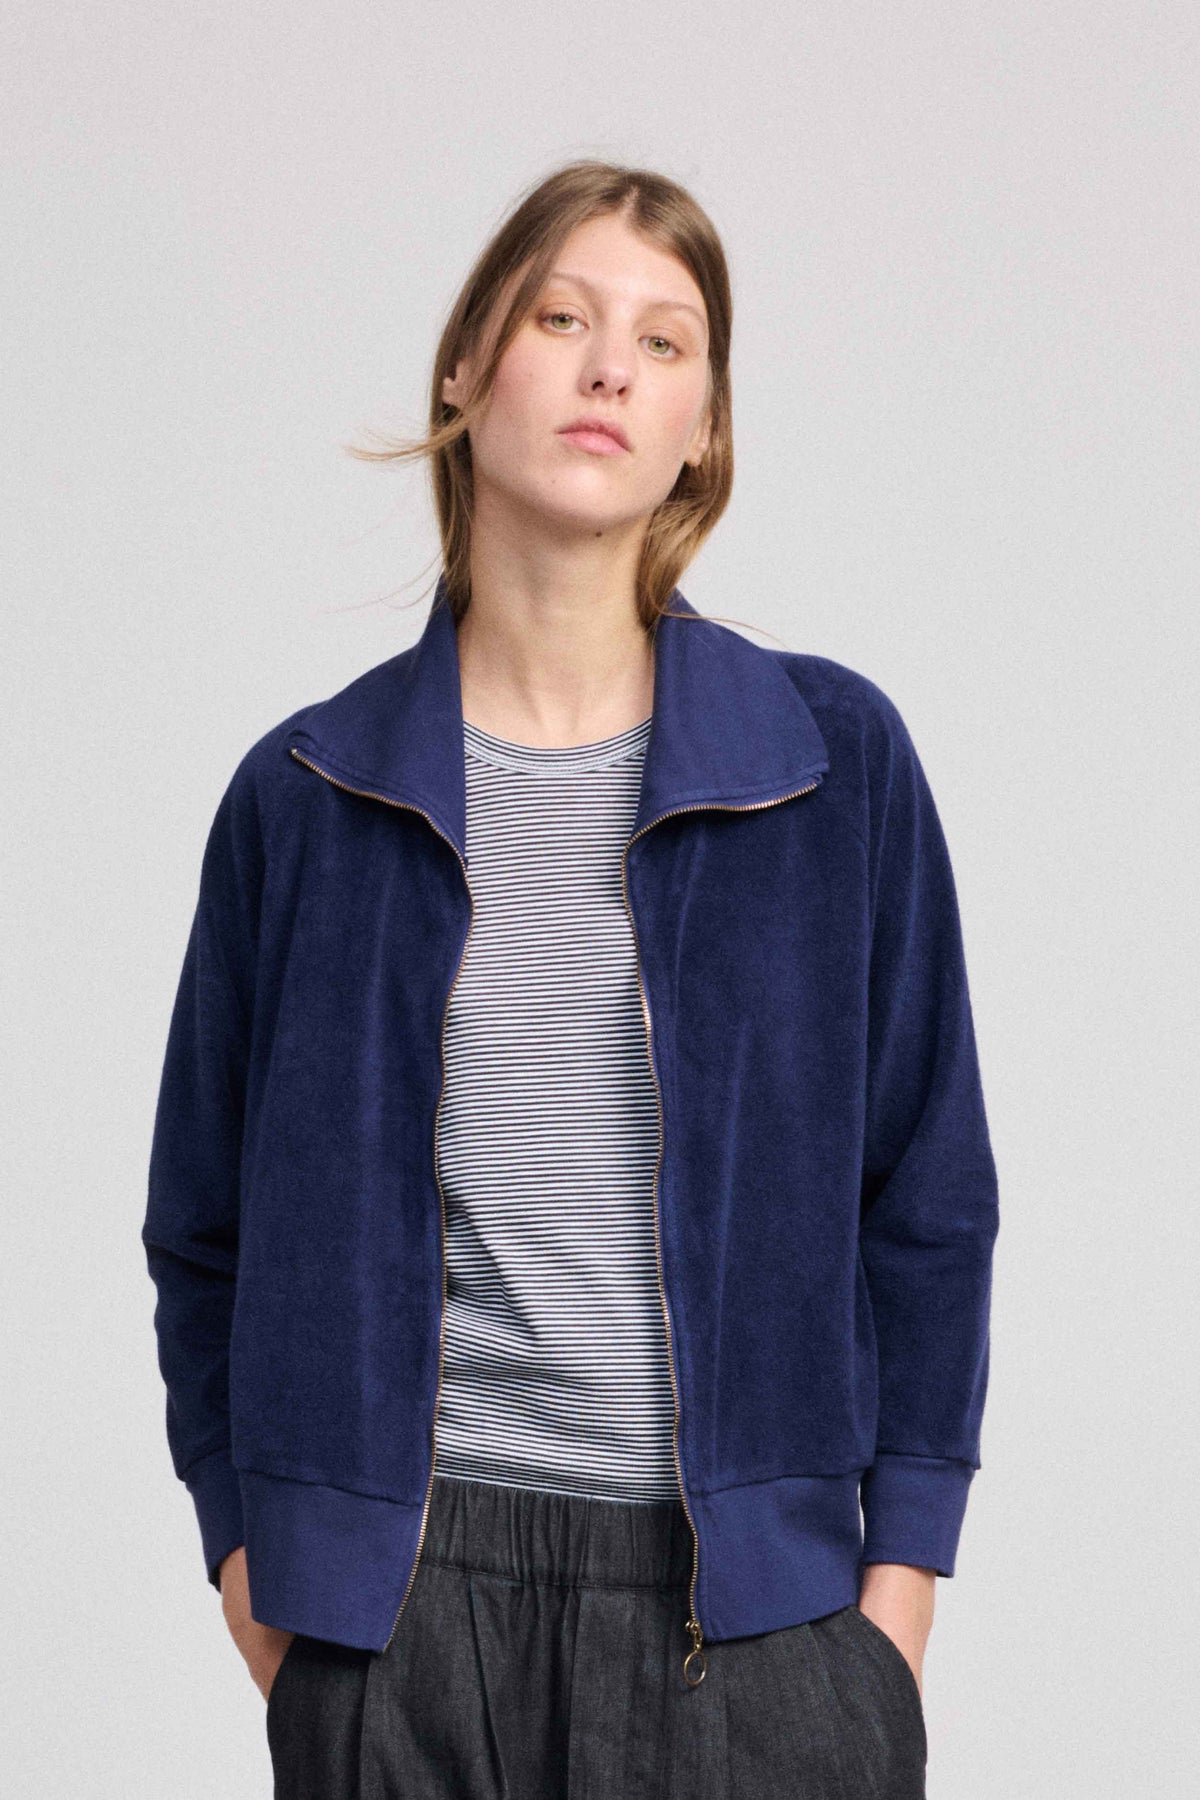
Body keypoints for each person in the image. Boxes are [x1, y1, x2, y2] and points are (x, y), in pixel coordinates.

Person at [142, 159, 999, 1799]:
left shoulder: (830, 766)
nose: (611, 368)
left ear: (703, 429)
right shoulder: (307, 796)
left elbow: (930, 1201)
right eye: (561, 318)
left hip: (760, 1632)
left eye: (665, 342)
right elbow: (205, 1228)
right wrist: (264, 1583)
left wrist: (886, 1621)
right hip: (405, 1626)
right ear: (468, 368)